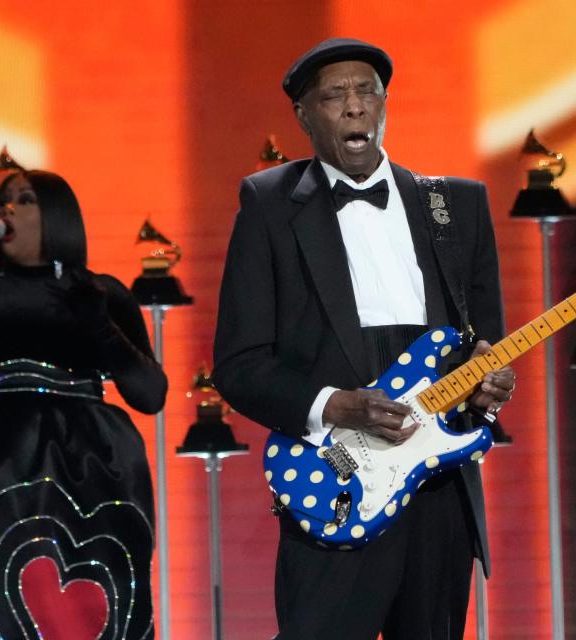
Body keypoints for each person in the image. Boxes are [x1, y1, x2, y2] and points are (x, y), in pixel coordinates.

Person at [213, 38, 516, 639]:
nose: (354, 107)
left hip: (438, 484)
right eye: (334, 96)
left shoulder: (455, 205)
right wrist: (336, 405)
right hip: (337, 474)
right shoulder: (269, 204)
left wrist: (490, 388)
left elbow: (487, 346)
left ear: (384, 105)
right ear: (303, 115)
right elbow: (240, 364)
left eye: (367, 92)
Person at [0, 170, 167, 639]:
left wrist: (101, 327)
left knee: (96, 595)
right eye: (2, 201)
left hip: (86, 458)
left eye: (24, 200)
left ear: (58, 217)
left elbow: (150, 394)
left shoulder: (100, 291)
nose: (6, 209)